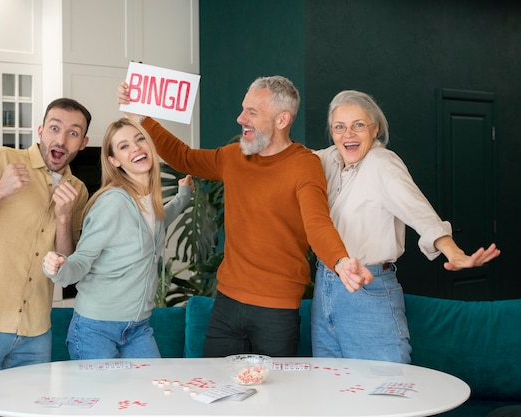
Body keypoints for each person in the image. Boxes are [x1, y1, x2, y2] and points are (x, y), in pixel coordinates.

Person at [118, 76, 374, 358]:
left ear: (281, 120)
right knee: (217, 390)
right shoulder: (234, 157)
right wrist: (141, 117)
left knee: (275, 398)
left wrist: (339, 261)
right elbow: (184, 157)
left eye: (252, 112)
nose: (240, 118)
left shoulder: (304, 165)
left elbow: (317, 223)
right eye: (243, 109)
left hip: (277, 311)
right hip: (227, 304)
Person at [311, 90, 501, 363]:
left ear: (375, 129)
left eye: (358, 125)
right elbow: (290, 161)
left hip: (367, 288)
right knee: (331, 387)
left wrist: (453, 251)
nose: (348, 134)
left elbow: (418, 210)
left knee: (382, 388)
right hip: (327, 285)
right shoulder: (328, 159)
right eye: (339, 127)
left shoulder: (382, 163)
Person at [0, 98, 92, 417]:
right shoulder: (1, 161)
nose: (61, 140)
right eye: (54, 128)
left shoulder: (77, 190)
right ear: (40, 130)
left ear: (83, 142)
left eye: (73, 133)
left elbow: (68, 268)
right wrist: (0, 190)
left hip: (35, 332)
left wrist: (64, 218)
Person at [42, 118, 193, 359]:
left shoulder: (149, 203)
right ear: (114, 161)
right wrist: (59, 266)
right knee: (102, 398)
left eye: (140, 139)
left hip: (138, 327)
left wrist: (184, 195)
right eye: (123, 146)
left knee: (150, 394)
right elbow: (80, 263)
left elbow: (160, 219)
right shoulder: (113, 203)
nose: (135, 148)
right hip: (96, 329)